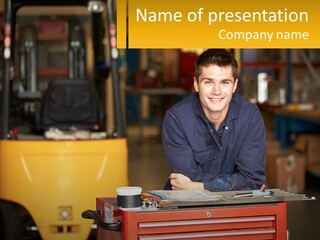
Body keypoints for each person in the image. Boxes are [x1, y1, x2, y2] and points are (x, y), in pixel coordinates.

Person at [162, 49, 266, 191]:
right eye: (208, 82)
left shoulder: (249, 116)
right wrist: (241, 183)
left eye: (225, 82)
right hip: (188, 204)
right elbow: (184, 179)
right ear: (196, 84)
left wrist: (198, 186)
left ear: (235, 86)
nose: (216, 91)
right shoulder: (177, 119)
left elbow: (253, 179)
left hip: (235, 204)